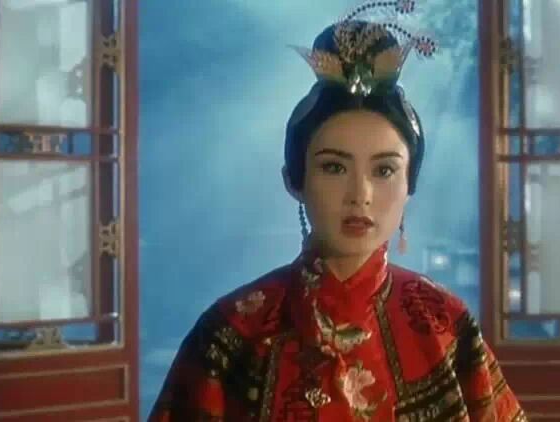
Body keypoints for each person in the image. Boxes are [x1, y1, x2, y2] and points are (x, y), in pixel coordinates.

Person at [148, 2, 526, 420]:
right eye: (333, 167)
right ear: (294, 180)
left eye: (384, 170)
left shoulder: (445, 324)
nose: (360, 194)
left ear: (410, 185)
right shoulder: (232, 333)